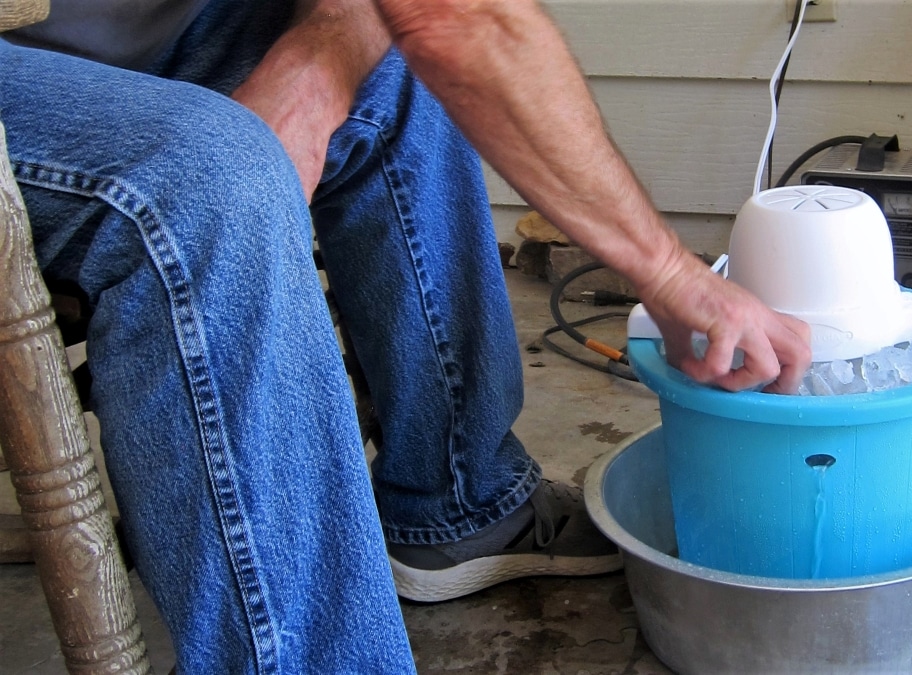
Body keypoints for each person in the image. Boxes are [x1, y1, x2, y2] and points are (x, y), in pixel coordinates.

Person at [1, 0, 812, 671]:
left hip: (117, 41)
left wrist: (316, 71)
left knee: (392, 68)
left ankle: (460, 501)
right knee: (215, 181)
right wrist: (672, 277)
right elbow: (468, 18)